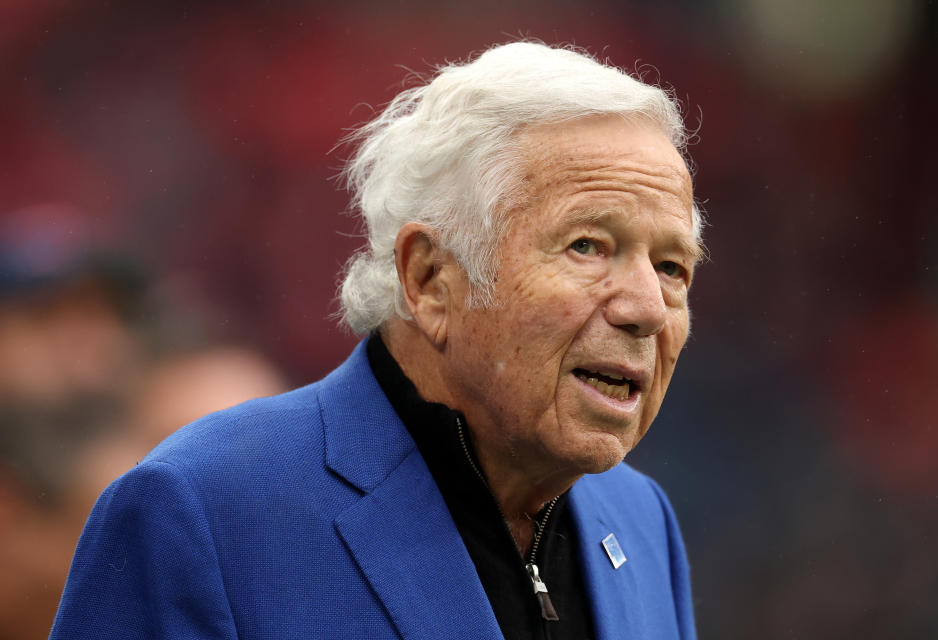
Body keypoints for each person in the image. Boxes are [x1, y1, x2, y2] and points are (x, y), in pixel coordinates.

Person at [50, 42, 703, 639]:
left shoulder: (641, 519)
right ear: (429, 277)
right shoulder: (198, 511)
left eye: (672, 267)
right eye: (586, 246)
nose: (647, 308)